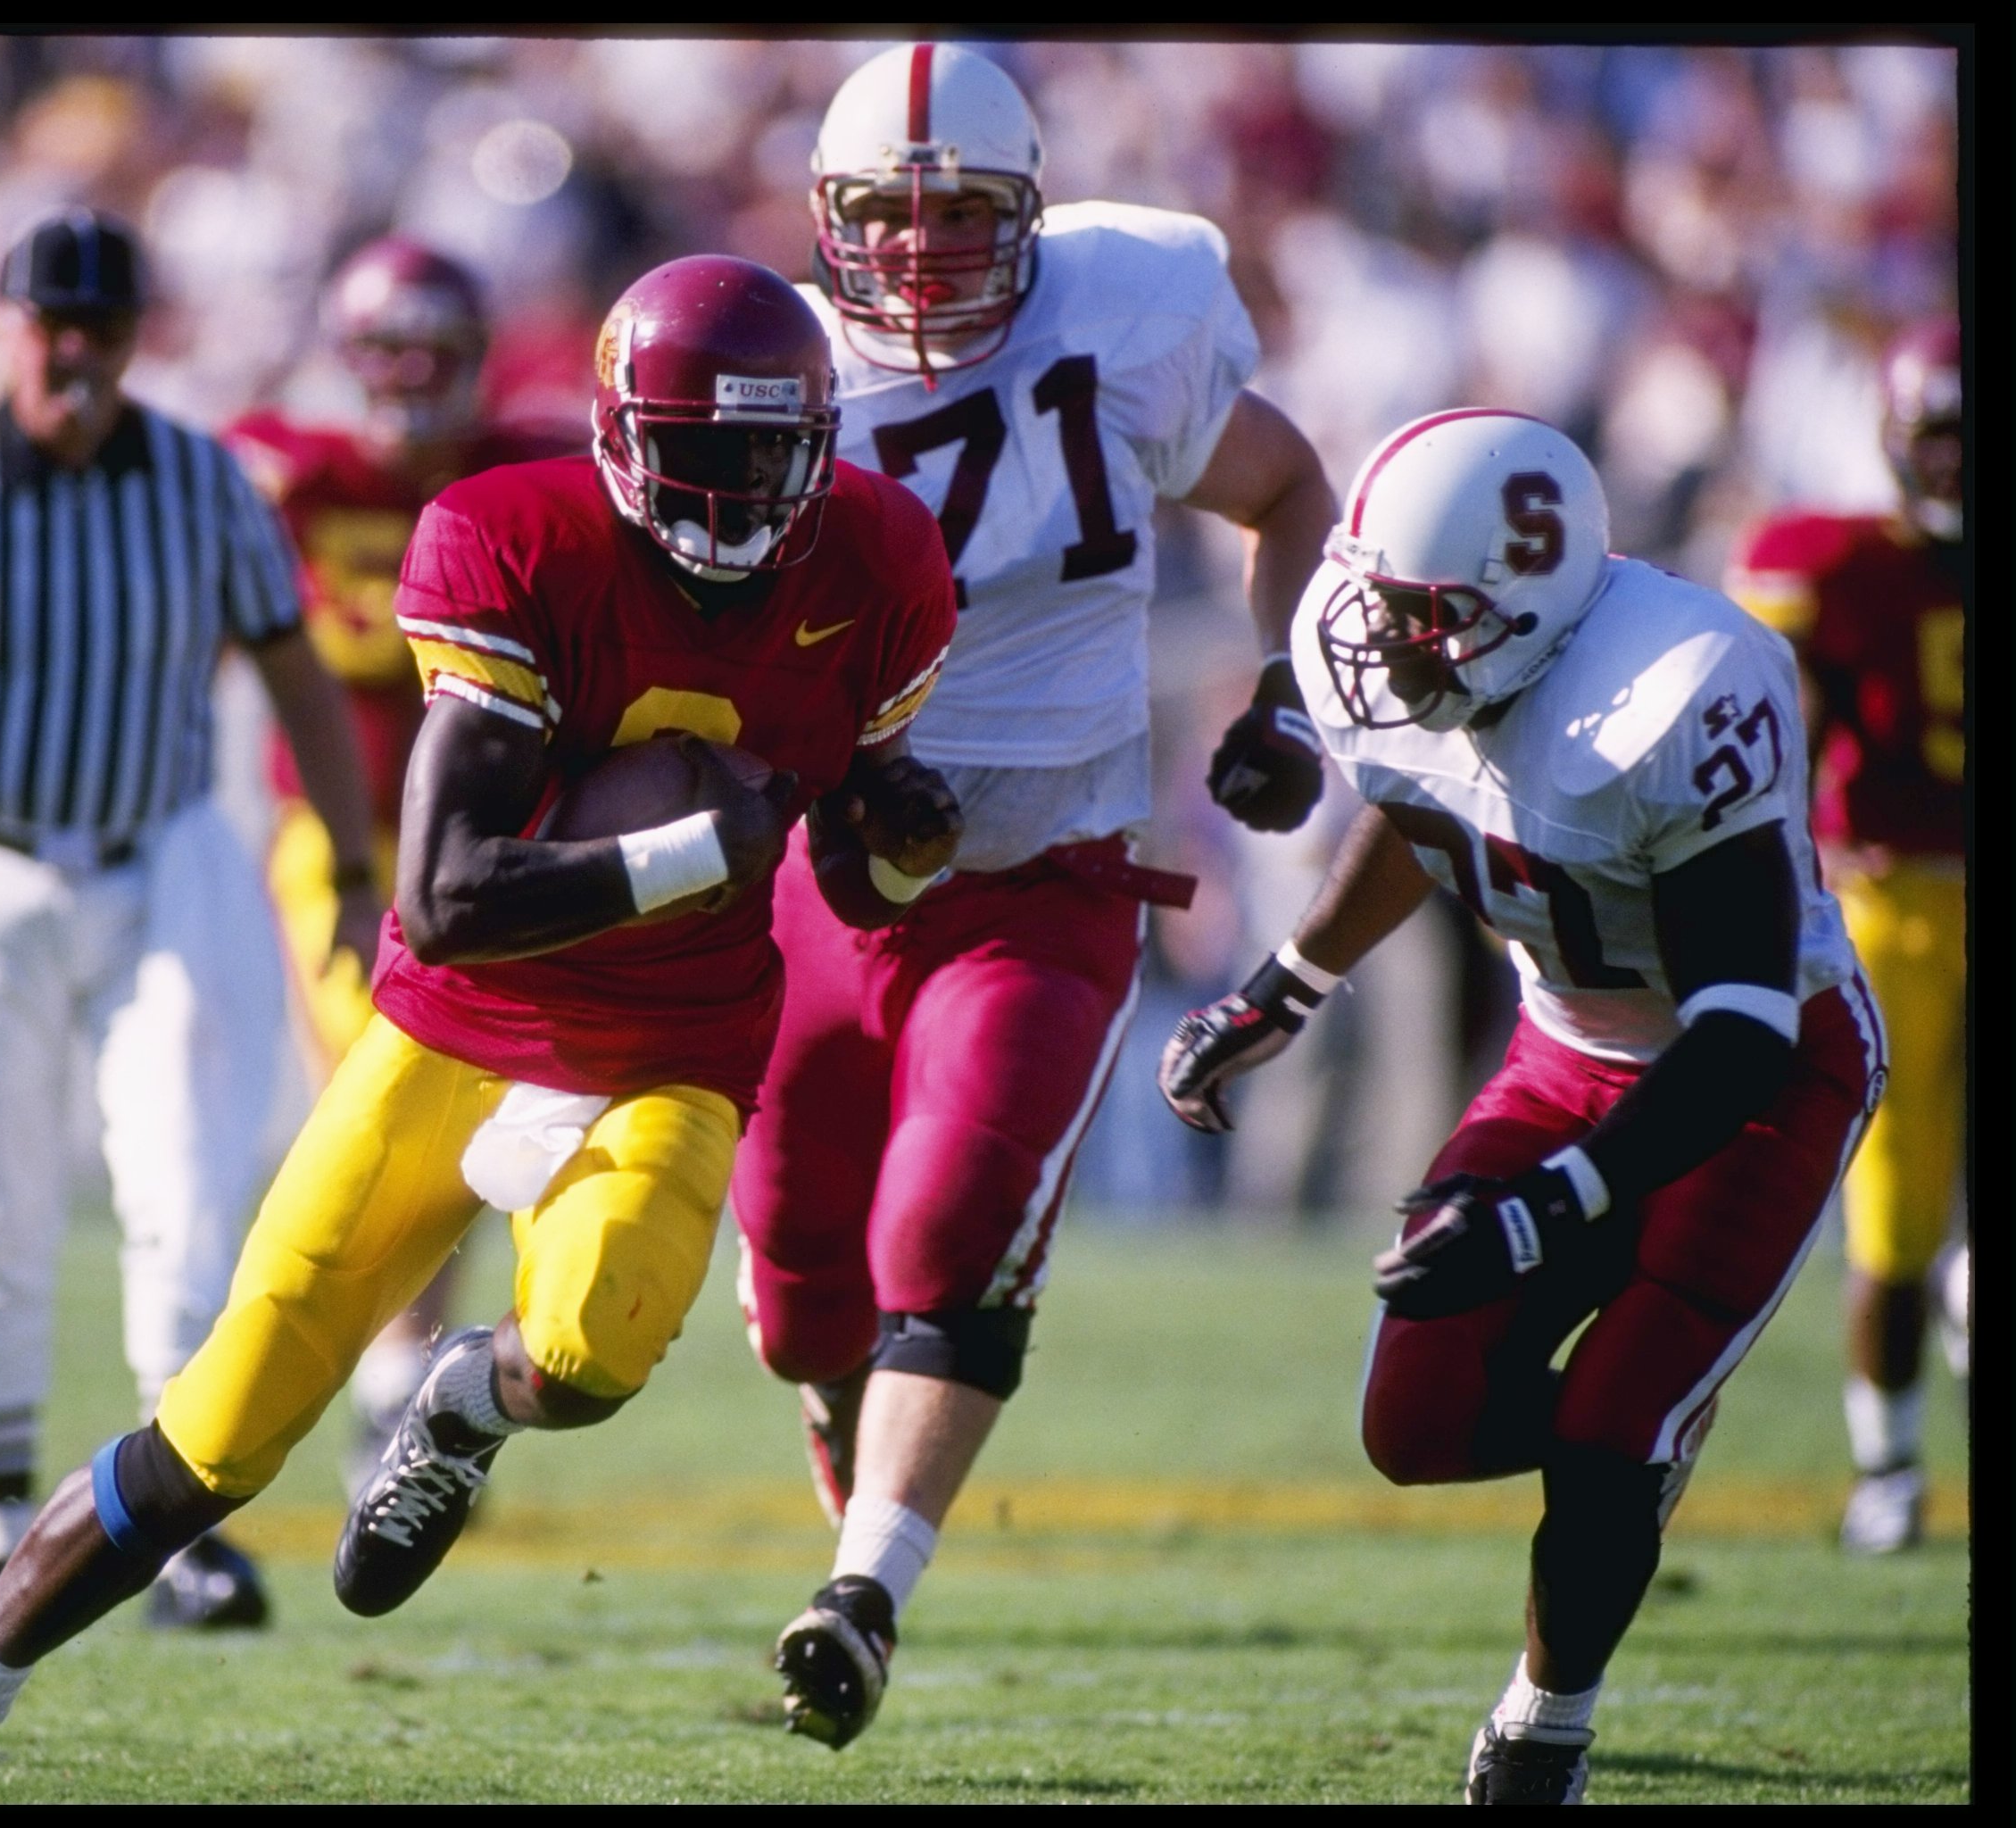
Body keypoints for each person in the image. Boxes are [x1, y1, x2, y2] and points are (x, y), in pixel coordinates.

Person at [0, 253, 963, 1805]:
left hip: (670, 1045)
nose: (725, 498)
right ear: (617, 436)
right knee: (220, 1426)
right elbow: (443, 898)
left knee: (589, 1346)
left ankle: (461, 1399)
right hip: (461, 1022)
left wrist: (901, 837)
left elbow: (848, 853)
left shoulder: (879, 561)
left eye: (761, 460)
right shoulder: (521, 542)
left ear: (818, 446)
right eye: (693, 456)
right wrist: (695, 852)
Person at [737, 42, 1339, 1749]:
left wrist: (1284, 693)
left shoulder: (1125, 311)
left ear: (1035, 214)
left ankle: (864, 1591)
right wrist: (833, 774)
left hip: (1049, 876)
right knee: (799, 1290)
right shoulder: (780, 371)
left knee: (949, 1226)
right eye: (884, 222)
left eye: (963, 221)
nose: (922, 260)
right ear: (825, 224)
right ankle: (859, 1480)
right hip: (823, 888)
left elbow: (1288, 486)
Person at [1158, 410, 1878, 1805]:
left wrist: (1557, 1207)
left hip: (1759, 1066)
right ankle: (1650, 1430)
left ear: (1526, 601)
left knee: (1609, 1437)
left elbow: (1738, 1028)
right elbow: (1423, 801)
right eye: (1386, 607)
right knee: (1415, 1421)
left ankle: (1546, 1721)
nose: (1389, 644)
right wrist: (1283, 988)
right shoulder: (1402, 645)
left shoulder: (1678, 687)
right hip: (1565, 1048)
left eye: (1428, 618)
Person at [0, 209, 381, 1633]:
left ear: (139, 339)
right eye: (50, 324)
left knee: (188, 1193)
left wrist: (362, 874)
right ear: (5, 327)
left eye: (102, 329)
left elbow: (298, 674)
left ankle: (175, 1525)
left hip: (163, 857)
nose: (74, 353)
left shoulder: (199, 477)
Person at [222, 236, 578, 1492]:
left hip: (483, 846)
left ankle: (408, 1373)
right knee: (383, 1073)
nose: (415, 379)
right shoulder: (288, 475)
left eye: (439, 355)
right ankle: (394, 1379)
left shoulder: (527, 469)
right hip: (340, 840)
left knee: (462, 1105)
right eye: (392, 352)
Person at [1724, 318, 1965, 1556]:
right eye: (1939, 435)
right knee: (1894, 1225)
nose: (1956, 463)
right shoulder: (1832, 561)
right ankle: (1889, 1462)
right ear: (1893, 438)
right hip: (1896, 905)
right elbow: (1781, 713)